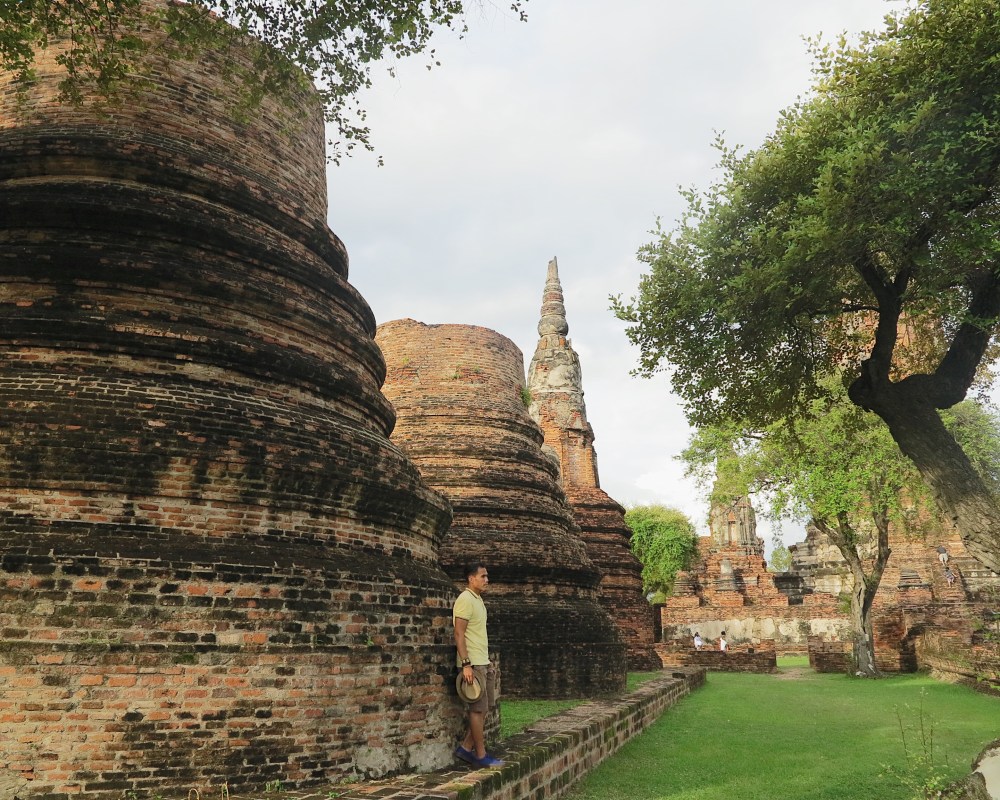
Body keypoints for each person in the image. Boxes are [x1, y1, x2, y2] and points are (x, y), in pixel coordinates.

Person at [453, 563, 503, 768]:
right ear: (471, 578)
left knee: (486, 708)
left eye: (487, 576)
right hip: (471, 664)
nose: (486, 580)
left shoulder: (478, 600)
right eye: (482, 576)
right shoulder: (465, 599)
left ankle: (465, 748)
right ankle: (480, 756)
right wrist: (466, 664)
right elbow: (459, 633)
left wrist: (486, 660)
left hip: (482, 662)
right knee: (476, 709)